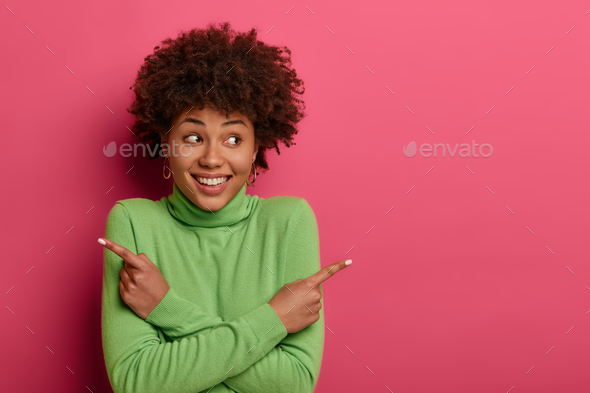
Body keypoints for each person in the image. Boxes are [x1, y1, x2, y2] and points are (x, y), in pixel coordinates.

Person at [98, 22, 352, 393]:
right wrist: (275, 319)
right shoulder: (134, 223)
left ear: (255, 149)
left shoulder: (288, 220)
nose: (213, 158)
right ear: (166, 144)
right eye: (193, 137)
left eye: (233, 138)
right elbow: (136, 381)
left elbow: (293, 383)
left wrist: (165, 308)